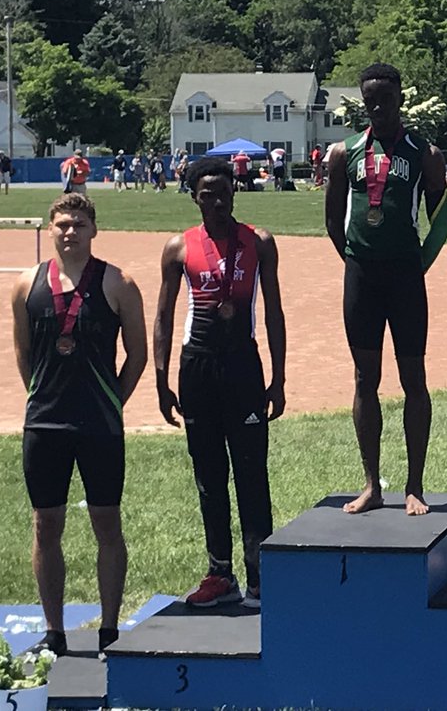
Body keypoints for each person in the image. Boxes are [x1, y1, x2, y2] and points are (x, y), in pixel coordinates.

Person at [10, 193, 147, 655]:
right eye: (63, 225)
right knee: (45, 525)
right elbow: (24, 353)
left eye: (79, 224)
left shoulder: (118, 283)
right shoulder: (26, 284)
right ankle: (55, 632)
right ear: (51, 230)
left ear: (94, 229)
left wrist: (113, 403)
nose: (70, 232)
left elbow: (138, 355)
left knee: (106, 524)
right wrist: (42, 397)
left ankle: (109, 629)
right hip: (44, 425)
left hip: (99, 426)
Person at [154, 157, 287, 609]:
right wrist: (160, 379)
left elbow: (274, 312)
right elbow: (164, 317)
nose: (215, 201)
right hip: (198, 368)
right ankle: (220, 573)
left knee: (252, 473)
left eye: (222, 191)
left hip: (243, 366)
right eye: (206, 194)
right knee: (209, 476)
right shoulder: (178, 247)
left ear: (235, 192)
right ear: (194, 197)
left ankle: (261, 577)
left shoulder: (259, 242)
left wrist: (279, 377)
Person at [325, 63, 447, 517]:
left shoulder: (424, 153)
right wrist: (355, 260)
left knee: (413, 380)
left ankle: (414, 484)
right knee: (364, 380)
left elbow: (443, 221)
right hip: (362, 276)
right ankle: (372, 483)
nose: (378, 106)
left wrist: (419, 263)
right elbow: (332, 219)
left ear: (400, 98)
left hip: (405, 277)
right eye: (370, 99)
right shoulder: (345, 152)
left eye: (386, 98)